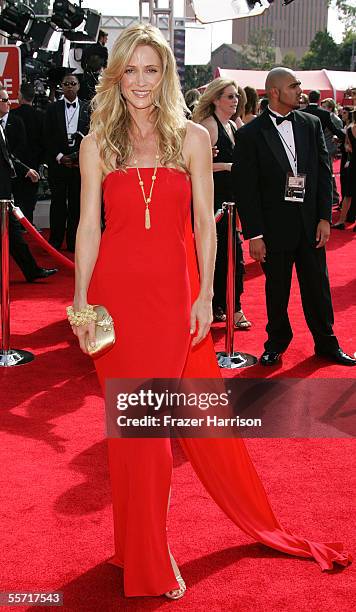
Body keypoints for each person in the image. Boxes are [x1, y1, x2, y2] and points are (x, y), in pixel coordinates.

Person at [69, 28, 351, 600]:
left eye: (152, 70)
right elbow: (89, 227)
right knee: (133, 434)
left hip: (175, 300)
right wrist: (80, 298)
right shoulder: (97, 142)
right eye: (131, 70)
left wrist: (205, 298)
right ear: (116, 76)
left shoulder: (194, 138)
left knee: (151, 431)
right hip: (116, 299)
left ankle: (145, 557)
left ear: (167, 74)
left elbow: (204, 226)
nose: (142, 81)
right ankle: (136, 549)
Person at [232, 67, 356, 366]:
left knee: (318, 287)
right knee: (277, 290)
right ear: (274, 92)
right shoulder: (250, 134)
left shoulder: (311, 124)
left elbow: (325, 173)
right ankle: (276, 342)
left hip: (311, 223)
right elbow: (246, 189)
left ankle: (326, 343)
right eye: (293, 85)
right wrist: (255, 234)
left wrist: (325, 217)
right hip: (274, 229)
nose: (300, 89)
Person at [193, 78, 251, 329]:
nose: (235, 100)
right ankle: (230, 307)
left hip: (230, 199)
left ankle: (224, 305)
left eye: (236, 96)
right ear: (216, 99)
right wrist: (228, 166)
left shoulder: (232, 125)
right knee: (223, 255)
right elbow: (194, 165)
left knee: (230, 255)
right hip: (214, 201)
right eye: (229, 96)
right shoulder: (208, 126)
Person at [0, 94, 57, 282]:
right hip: (2, 193)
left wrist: (26, 170)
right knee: (14, 235)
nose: (9, 103)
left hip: (5, 193)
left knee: (15, 236)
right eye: (4, 100)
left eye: (8, 99)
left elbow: (8, 157)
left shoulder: (3, 125)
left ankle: (32, 270)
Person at [43, 73, 90, 252]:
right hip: (58, 164)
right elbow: (46, 137)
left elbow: (93, 135)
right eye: (66, 84)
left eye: (73, 83)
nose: (70, 86)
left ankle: (73, 242)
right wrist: (60, 157)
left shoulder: (88, 108)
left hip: (80, 166)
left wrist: (78, 157)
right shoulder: (52, 109)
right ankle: (55, 241)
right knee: (58, 204)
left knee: (77, 205)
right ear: (62, 86)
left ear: (78, 86)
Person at [10, 82, 44, 224]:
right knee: (30, 196)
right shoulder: (41, 116)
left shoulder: (12, 115)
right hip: (34, 162)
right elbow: (44, 141)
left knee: (17, 196)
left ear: (20, 95)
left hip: (16, 163)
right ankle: (28, 223)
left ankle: (19, 224)